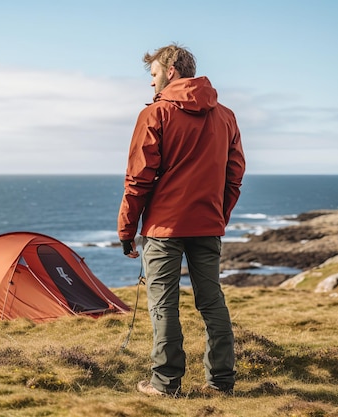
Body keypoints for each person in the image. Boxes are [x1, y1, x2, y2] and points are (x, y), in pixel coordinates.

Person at [117, 43, 245, 397]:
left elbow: (138, 179)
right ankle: (220, 383)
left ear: (170, 71)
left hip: (164, 228)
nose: (151, 83)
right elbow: (234, 175)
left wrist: (127, 231)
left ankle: (165, 384)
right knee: (212, 301)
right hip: (207, 224)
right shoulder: (226, 115)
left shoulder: (155, 115)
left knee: (163, 303)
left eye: (154, 74)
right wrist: (218, 215)